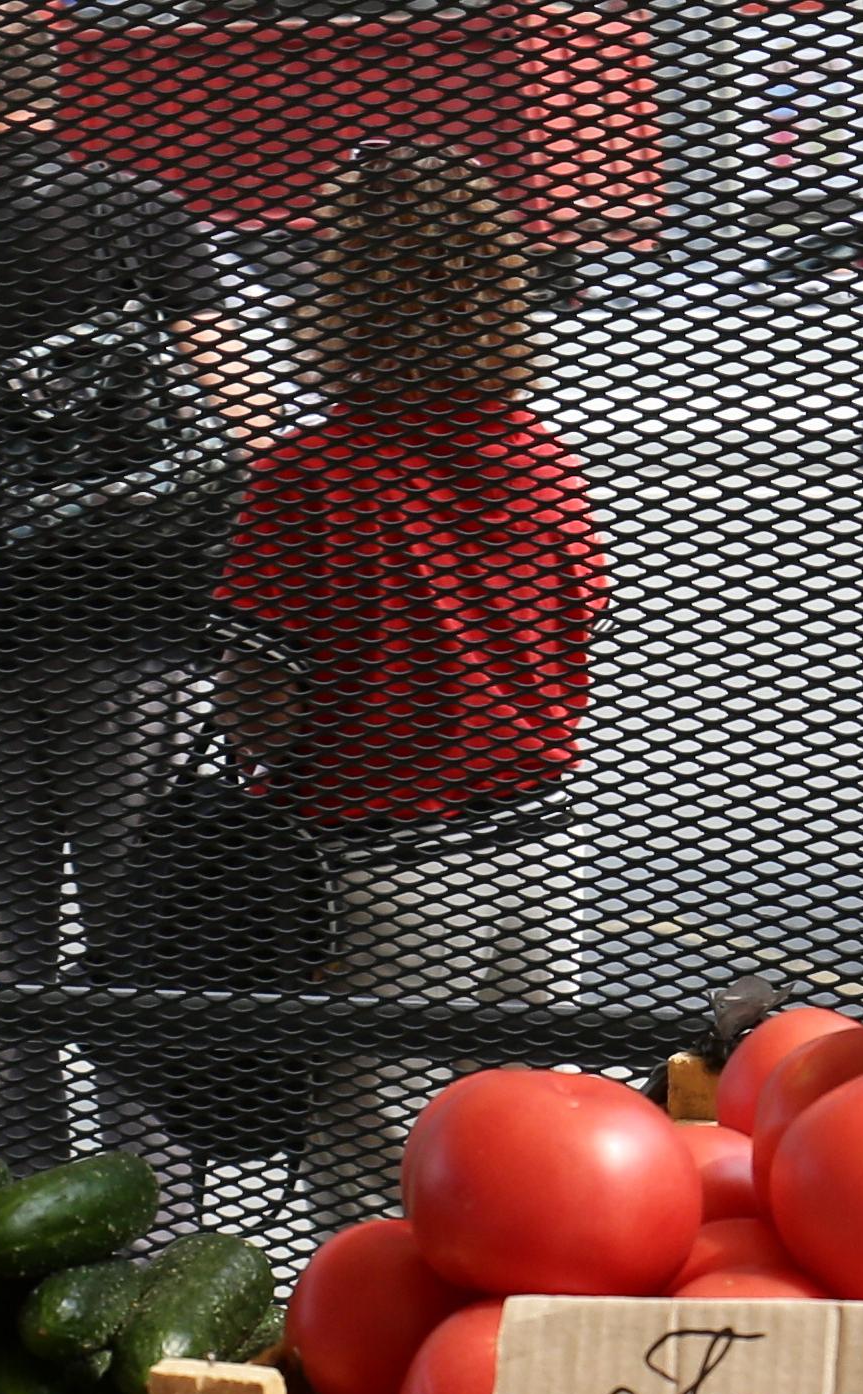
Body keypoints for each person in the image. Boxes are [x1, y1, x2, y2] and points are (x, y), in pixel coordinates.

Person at [0, 1, 260, 1160]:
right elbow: (235, 413)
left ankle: (16, 1194)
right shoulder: (139, 212)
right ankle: (152, 1208)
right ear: (49, 89)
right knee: (140, 918)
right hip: (135, 612)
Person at [211, 143, 610, 1235]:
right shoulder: (547, 468)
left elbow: (263, 699)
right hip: (540, 848)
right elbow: (573, 651)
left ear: (344, 295)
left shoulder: (309, 477)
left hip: (382, 866)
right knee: (535, 1154)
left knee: (385, 1180)